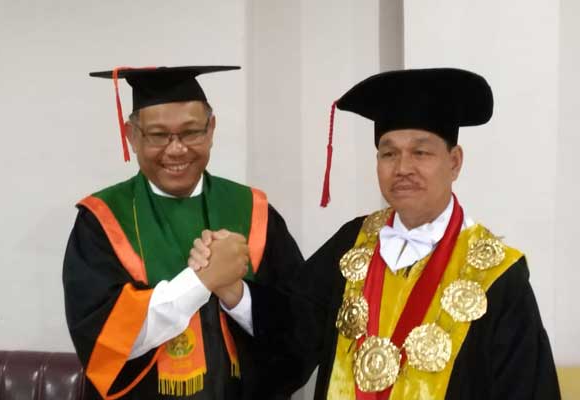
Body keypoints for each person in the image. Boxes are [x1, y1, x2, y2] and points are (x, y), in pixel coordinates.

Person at [190, 68, 561, 399]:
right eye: (388, 154)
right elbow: (293, 330)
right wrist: (232, 290)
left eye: (421, 153)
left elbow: (525, 387)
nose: (403, 168)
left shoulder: (497, 274)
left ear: (455, 161)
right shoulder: (353, 241)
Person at [62, 65, 303, 400]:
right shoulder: (102, 220)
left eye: (191, 132)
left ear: (212, 129)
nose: (176, 150)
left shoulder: (254, 211)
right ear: (132, 135)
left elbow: (300, 327)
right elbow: (104, 342)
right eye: (159, 135)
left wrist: (237, 294)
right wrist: (200, 282)